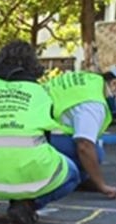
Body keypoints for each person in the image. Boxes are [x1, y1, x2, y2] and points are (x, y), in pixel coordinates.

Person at [0, 40, 80, 224]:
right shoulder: (39, 90)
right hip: (24, 165)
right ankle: (27, 205)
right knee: (72, 173)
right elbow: (45, 138)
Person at [45, 69, 116, 199]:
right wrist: (102, 186)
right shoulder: (93, 104)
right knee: (95, 152)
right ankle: (69, 179)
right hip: (40, 138)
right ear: (114, 84)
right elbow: (84, 145)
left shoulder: (89, 80)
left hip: (28, 130)